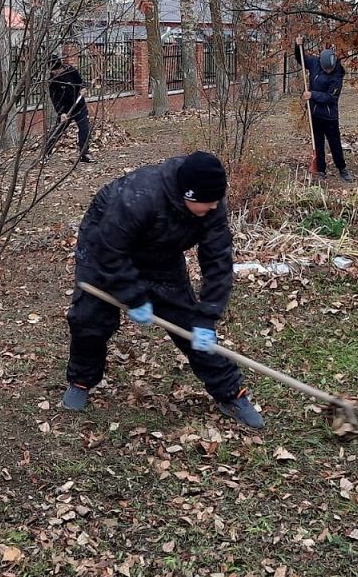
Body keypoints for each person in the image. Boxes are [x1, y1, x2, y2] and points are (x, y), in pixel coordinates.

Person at [61, 151, 264, 429]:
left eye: (217, 201)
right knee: (90, 318)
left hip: (162, 252)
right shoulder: (139, 196)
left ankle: (231, 393)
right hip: (105, 241)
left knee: (190, 325)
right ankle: (81, 380)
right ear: (188, 196)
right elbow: (109, 250)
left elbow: (218, 260)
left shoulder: (212, 203)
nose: (215, 207)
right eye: (207, 202)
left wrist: (207, 316)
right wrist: (134, 296)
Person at [297, 40, 352, 182]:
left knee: (335, 144)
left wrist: (312, 95)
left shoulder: (337, 75)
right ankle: (321, 170)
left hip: (329, 116)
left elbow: (331, 97)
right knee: (318, 144)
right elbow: (300, 59)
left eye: (330, 69)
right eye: (326, 69)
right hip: (314, 114)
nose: (328, 71)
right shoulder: (315, 63)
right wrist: (298, 46)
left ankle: (342, 169)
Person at [44, 54, 92, 163]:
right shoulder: (53, 82)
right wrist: (61, 113)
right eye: (52, 72)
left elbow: (81, 83)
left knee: (84, 129)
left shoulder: (71, 71)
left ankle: (84, 154)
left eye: (56, 71)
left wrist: (83, 89)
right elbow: (55, 100)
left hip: (79, 106)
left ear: (60, 67)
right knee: (57, 131)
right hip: (65, 110)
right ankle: (45, 154)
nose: (54, 73)